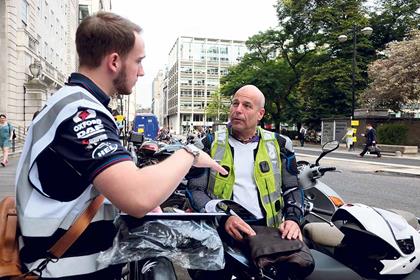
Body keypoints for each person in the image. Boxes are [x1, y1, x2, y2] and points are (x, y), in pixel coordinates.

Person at [15, 12, 226, 280]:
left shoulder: (72, 103)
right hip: (63, 271)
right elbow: (137, 196)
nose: (141, 71)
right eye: (138, 61)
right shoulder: (82, 112)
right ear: (114, 61)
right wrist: (189, 154)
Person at [187, 85, 304, 276]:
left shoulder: (281, 145)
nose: (238, 110)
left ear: (260, 114)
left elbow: (292, 187)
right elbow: (195, 190)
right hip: (219, 232)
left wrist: (293, 219)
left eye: (247, 106)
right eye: (235, 103)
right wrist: (223, 217)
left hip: (266, 235)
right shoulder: (209, 144)